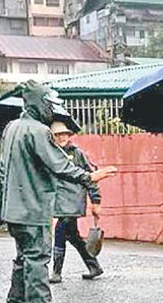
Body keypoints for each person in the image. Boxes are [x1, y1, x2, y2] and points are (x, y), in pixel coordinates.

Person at [0, 80, 116, 303]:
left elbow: (2, 169)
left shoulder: (11, 128)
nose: (51, 110)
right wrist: (89, 177)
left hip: (13, 211)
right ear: (38, 104)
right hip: (33, 211)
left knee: (23, 259)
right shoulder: (39, 131)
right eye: (48, 104)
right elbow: (60, 165)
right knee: (37, 260)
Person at [49, 120, 104, 283]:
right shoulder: (51, 155)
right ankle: (94, 266)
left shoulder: (77, 153)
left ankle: (56, 272)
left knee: (60, 230)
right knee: (72, 235)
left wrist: (96, 200)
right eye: (58, 135)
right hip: (60, 201)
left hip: (73, 200)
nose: (62, 137)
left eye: (64, 134)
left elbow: (90, 177)